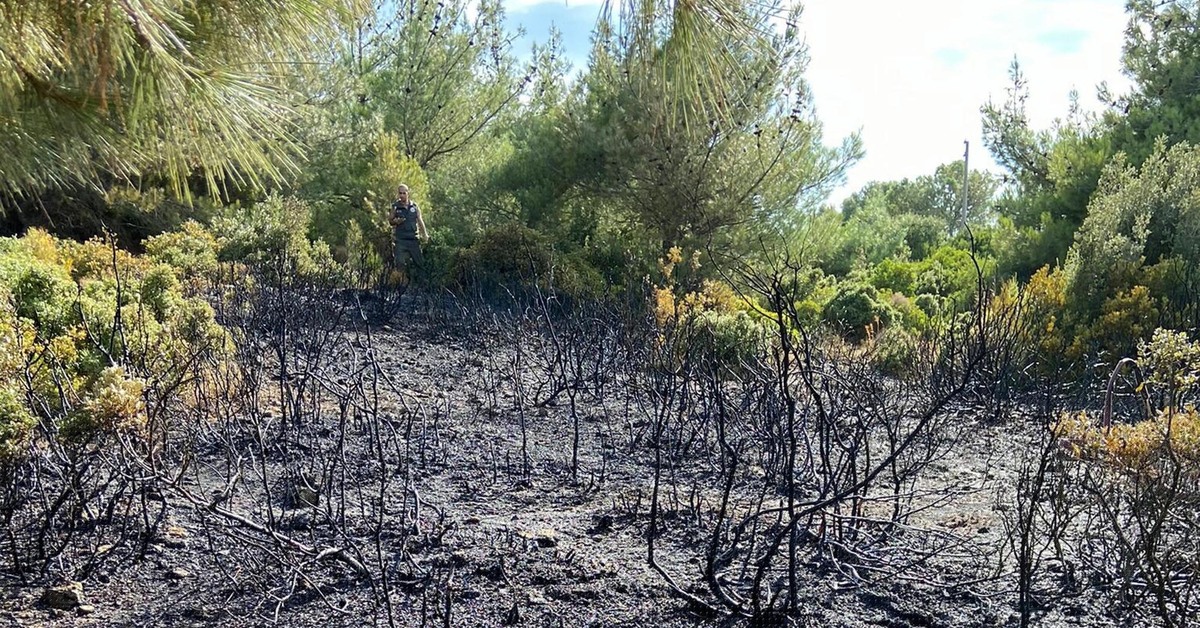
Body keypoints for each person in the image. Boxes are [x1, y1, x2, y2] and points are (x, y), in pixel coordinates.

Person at [389, 184, 428, 273]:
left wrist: (425, 234)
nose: (402, 195)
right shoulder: (395, 206)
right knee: (400, 264)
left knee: (420, 264)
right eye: (400, 193)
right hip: (401, 240)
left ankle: (422, 285)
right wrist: (396, 221)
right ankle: (401, 285)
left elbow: (420, 220)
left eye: (404, 193)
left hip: (413, 239)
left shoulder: (414, 206)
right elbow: (390, 221)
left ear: (408, 193)